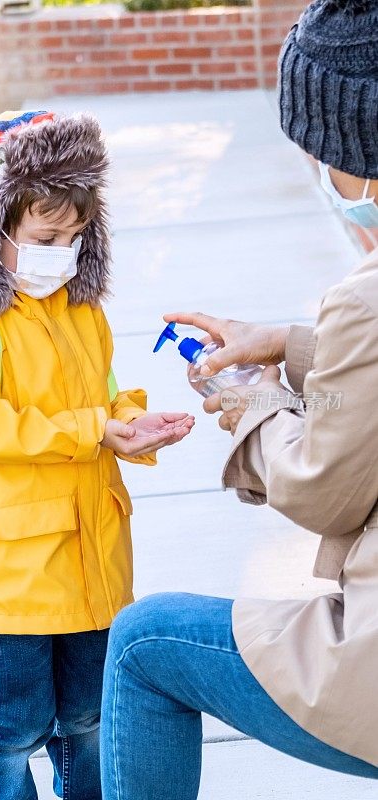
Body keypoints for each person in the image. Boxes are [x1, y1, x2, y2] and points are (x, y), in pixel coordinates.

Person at [99, 1, 378, 797]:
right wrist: (291, 346)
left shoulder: (364, 298)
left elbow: (324, 489)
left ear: (356, 149)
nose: (319, 174)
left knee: (143, 643)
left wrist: (254, 404)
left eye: (318, 154)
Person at [0, 109, 195, 800]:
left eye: (77, 237)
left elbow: (106, 396)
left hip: (96, 560)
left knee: (87, 719)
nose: (64, 251)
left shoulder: (80, 308)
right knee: (15, 729)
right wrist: (93, 429)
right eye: (47, 236)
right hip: (19, 571)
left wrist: (133, 423)